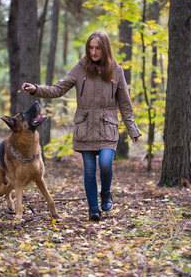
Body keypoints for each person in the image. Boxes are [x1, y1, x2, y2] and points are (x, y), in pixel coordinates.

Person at [22, 30, 141, 221]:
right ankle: (93, 208)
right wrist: (37, 89)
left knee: (105, 163)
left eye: (98, 48)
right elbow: (59, 88)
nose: (93, 52)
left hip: (108, 125)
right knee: (88, 169)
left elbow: (125, 104)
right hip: (85, 127)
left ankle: (106, 192)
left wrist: (132, 129)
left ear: (105, 49)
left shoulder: (117, 71)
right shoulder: (81, 68)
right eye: (91, 48)